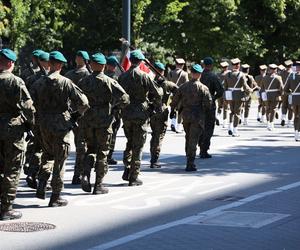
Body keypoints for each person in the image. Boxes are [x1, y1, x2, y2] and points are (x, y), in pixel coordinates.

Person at [31, 51, 89, 206]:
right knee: (60, 160)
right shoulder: (66, 82)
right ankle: (56, 196)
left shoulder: (38, 83)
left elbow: (30, 105)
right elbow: (84, 103)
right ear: (59, 64)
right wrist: (76, 116)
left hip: (44, 123)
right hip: (61, 124)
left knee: (48, 154)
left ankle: (42, 180)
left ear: (49, 63)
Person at [78, 53, 129, 194]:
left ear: (92, 65)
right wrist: (114, 107)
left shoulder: (84, 81)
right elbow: (125, 99)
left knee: (90, 149)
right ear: (103, 66)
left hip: (88, 121)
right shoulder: (109, 81)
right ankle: (98, 185)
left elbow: (77, 99)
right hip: (104, 122)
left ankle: (86, 173)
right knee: (102, 153)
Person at [0, 48, 35, 220]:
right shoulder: (15, 81)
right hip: (12, 129)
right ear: (10, 63)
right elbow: (28, 107)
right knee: (12, 168)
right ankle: (6, 208)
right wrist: (31, 124)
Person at [118, 49, 162, 186]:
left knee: (129, 142)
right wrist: (154, 105)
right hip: (140, 114)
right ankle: (133, 176)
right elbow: (158, 94)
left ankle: (127, 167)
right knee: (138, 145)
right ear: (141, 61)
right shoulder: (144, 76)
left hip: (126, 113)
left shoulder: (122, 77)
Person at [170, 64, 211, 171]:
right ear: (200, 74)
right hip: (198, 116)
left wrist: (172, 110)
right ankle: (190, 162)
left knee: (188, 137)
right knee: (193, 139)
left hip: (186, 115)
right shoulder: (203, 88)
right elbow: (208, 104)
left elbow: (175, 99)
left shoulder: (183, 86)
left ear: (191, 73)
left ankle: (188, 157)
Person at [24, 51, 50, 189]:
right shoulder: (53, 79)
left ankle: (32, 172)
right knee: (48, 151)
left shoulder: (31, 79)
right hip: (51, 120)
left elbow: (27, 101)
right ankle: (42, 177)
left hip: (36, 118)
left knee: (36, 147)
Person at [65, 50, 91, 185]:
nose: (77, 59)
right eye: (77, 56)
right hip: (77, 114)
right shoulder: (73, 74)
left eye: (79, 57)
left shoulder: (83, 75)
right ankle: (78, 173)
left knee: (79, 145)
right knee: (78, 145)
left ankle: (78, 173)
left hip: (77, 114)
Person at [149, 61, 178, 168]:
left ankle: (153, 157)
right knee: (158, 135)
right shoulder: (167, 84)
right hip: (162, 111)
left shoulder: (150, 82)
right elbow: (178, 92)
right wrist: (174, 106)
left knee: (154, 135)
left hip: (152, 111)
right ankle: (154, 159)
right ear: (162, 71)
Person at [198, 57, 224, 158]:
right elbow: (221, 91)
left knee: (199, 126)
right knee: (208, 127)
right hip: (209, 105)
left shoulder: (199, 75)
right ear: (212, 65)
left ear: (203, 65)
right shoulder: (213, 76)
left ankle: (199, 145)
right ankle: (204, 150)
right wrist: (213, 98)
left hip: (198, 104)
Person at [224, 58, 252, 136]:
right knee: (237, 113)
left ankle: (229, 127)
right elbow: (245, 86)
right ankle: (235, 130)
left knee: (231, 112)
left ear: (232, 66)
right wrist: (250, 90)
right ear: (238, 66)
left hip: (230, 95)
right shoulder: (241, 75)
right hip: (238, 95)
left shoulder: (227, 74)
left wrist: (225, 97)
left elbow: (225, 87)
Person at [105, 55, 122, 165]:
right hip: (114, 110)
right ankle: (108, 155)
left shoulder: (102, 76)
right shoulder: (116, 79)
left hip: (100, 110)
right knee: (112, 134)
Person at [167, 58, 189, 133]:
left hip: (172, 93)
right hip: (181, 94)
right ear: (182, 65)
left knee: (173, 108)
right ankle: (178, 126)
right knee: (180, 110)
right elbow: (186, 84)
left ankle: (173, 123)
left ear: (176, 64)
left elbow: (167, 83)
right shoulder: (184, 74)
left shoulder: (170, 73)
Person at [261, 64, 284, 131]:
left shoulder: (264, 77)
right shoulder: (278, 77)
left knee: (267, 109)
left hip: (266, 94)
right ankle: (271, 124)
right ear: (275, 70)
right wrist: (280, 95)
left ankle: (268, 123)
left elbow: (262, 88)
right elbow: (281, 88)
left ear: (269, 69)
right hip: (275, 95)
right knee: (273, 109)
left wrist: (263, 95)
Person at [284, 61, 300, 141]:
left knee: (296, 116)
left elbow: (285, 90)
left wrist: (291, 93)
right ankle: (298, 132)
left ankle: (296, 132)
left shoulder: (290, 76)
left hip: (294, 98)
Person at [280, 59, 294, 127]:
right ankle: (289, 122)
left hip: (283, 92)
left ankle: (283, 118)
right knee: (290, 107)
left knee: (284, 106)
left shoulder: (282, 73)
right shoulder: (293, 73)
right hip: (291, 92)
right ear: (291, 66)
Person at [217, 61, 230, 128]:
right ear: (227, 67)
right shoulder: (229, 74)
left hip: (219, 91)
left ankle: (218, 116)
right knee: (226, 107)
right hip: (227, 92)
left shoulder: (218, 74)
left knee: (219, 106)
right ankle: (224, 122)